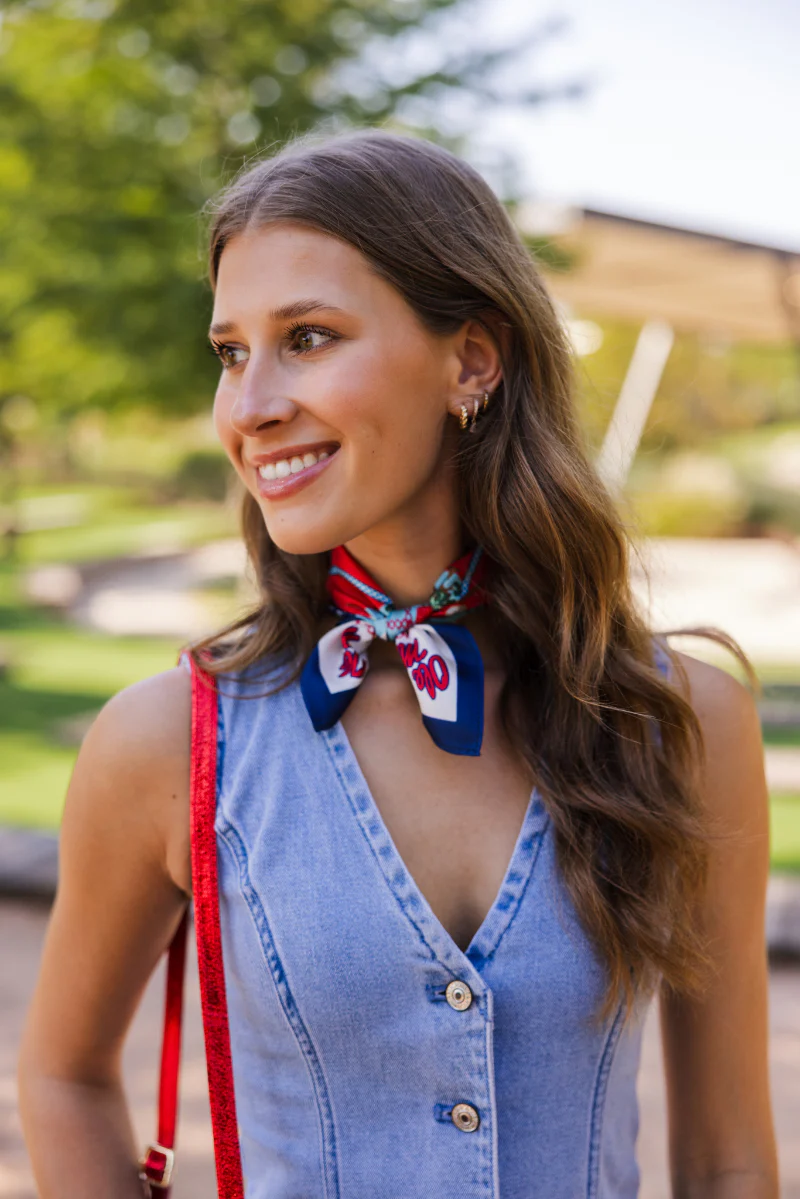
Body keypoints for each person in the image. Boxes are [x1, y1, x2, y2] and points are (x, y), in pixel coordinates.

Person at [17, 129, 778, 1198]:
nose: (250, 405)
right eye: (230, 351)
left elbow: (728, 1156)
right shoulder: (168, 739)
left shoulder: (679, 721)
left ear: (471, 357)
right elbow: (62, 1072)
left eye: (309, 337)